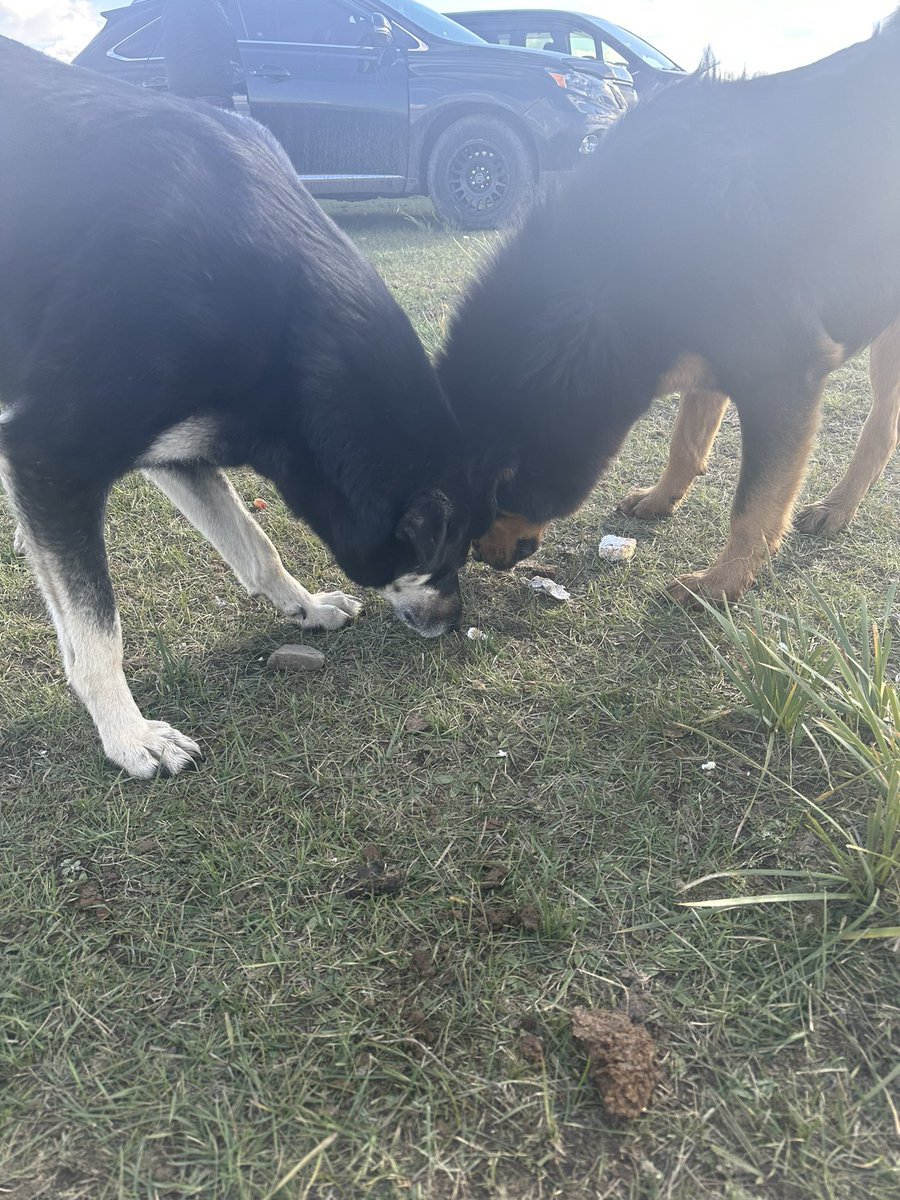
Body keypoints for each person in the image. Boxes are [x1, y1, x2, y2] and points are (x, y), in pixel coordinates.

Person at [160, 0, 239, 111]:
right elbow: (228, 41)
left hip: (180, 93)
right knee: (221, 128)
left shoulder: (170, 6)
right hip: (208, 90)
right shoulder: (206, 3)